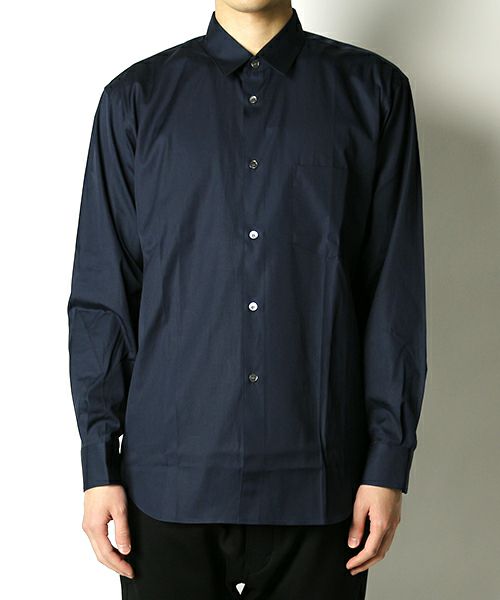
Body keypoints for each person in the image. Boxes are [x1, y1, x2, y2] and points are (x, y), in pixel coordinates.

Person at [66, 1, 427, 598]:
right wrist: (98, 463)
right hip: (167, 486)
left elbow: (395, 296)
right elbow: (103, 296)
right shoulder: (134, 100)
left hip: (321, 487)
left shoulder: (374, 93)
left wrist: (388, 463)